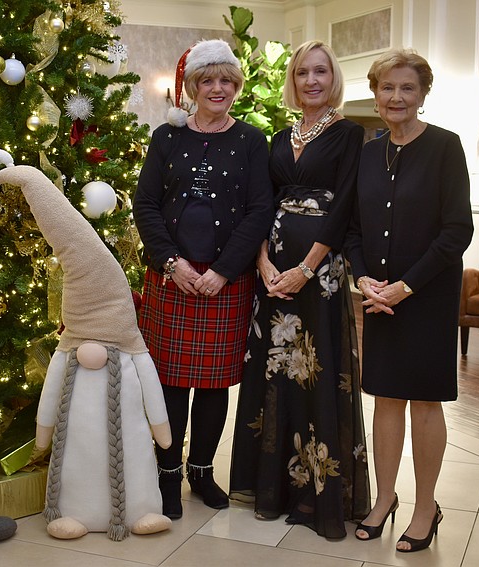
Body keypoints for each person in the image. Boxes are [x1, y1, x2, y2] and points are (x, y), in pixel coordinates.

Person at [228, 40, 371, 539]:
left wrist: (306, 269)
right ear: (293, 80)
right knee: (274, 374)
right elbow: (261, 204)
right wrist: (263, 262)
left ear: (334, 79)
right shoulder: (276, 139)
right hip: (273, 275)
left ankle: (318, 494)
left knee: (314, 372)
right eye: (304, 73)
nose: (312, 80)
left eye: (322, 72)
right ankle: (274, 487)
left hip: (319, 275)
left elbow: (346, 204)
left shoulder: (350, 133)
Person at [133, 38, 273, 520]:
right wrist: (172, 262)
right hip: (170, 282)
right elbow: (145, 204)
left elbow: (259, 211)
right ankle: (167, 475)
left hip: (225, 285)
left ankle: (202, 470)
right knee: (170, 385)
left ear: (236, 86)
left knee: (214, 388)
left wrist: (221, 272)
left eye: (226, 80)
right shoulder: (166, 138)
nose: (218, 88)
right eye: (207, 80)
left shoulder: (252, 141)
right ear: (192, 86)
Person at [343, 49, 473, 552]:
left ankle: (425, 508)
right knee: (385, 398)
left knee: (423, 400)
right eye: (387, 88)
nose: (396, 97)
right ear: (375, 95)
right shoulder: (368, 152)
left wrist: (406, 286)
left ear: (422, 95)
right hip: (379, 299)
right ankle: (384, 499)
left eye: (407, 88)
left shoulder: (445, 147)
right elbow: (354, 228)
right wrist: (364, 280)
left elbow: (457, 230)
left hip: (427, 296)